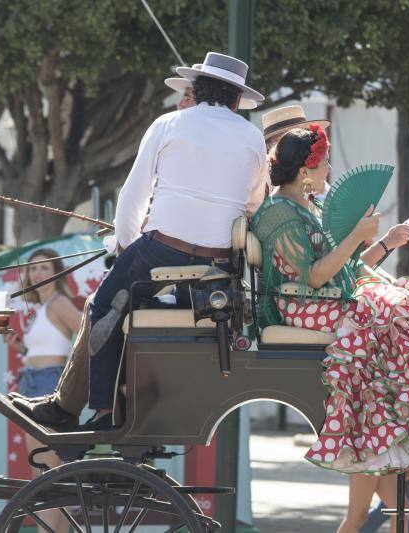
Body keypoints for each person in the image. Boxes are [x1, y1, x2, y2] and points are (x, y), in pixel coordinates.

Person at [252, 125, 409, 532]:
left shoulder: (306, 206)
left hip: (324, 300)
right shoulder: (280, 210)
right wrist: (357, 236)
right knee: (399, 314)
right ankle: (408, 417)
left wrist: (378, 245)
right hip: (304, 307)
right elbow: (315, 278)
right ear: (305, 172)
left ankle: (398, 423)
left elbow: (343, 270)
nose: (329, 170)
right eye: (324, 164)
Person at [83, 51, 268, 431]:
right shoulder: (252, 137)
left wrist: (125, 245)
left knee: (103, 308)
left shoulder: (168, 124)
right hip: (217, 267)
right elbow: (254, 203)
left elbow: (133, 195)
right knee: (181, 318)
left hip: (159, 248)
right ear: (236, 99)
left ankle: (104, 410)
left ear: (197, 89)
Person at [4, 248, 81, 531]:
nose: (38, 274)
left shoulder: (59, 303)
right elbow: (50, 346)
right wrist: (21, 348)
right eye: (33, 269)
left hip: (49, 384)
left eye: (45, 268)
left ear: (57, 273)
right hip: (33, 381)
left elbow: (87, 337)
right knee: (42, 472)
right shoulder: (41, 308)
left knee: (47, 472)